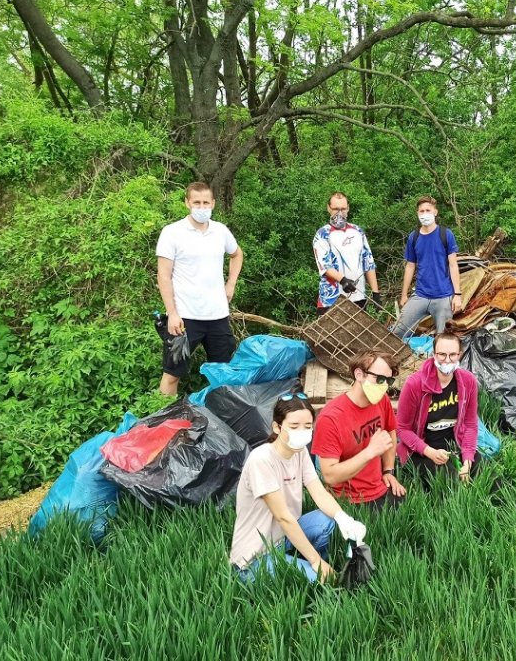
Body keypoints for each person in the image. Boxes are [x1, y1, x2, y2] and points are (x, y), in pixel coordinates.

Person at [229, 393, 367, 583]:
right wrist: (315, 562)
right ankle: (315, 565)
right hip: (256, 556)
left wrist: (344, 519)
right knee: (319, 581)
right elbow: (283, 517)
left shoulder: (299, 452)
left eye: (308, 426)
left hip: (282, 537)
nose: (302, 432)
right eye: (294, 426)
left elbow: (318, 492)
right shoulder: (261, 460)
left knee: (328, 519)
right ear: (277, 427)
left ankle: (312, 561)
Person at [156, 181, 244, 395]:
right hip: (185, 318)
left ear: (213, 203)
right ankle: (164, 411)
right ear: (187, 203)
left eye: (206, 202)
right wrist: (172, 313)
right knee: (172, 374)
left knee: (224, 374)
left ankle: (222, 413)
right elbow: (163, 276)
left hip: (217, 316)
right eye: (197, 202)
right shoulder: (172, 232)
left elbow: (236, 254)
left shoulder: (220, 231)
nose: (202, 207)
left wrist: (230, 283)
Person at [311, 351, 407, 509]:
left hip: (378, 486)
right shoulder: (331, 418)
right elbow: (330, 476)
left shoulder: (382, 400)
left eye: (388, 381)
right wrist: (370, 452)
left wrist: (388, 471)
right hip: (349, 499)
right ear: (359, 375)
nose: (384, 386)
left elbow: (390, 432)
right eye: (379, 379)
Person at [396, 330, 481, 484]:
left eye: (453, 355)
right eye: (442, 354)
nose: (447, 360)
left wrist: (468, 459)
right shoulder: (414, 384)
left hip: (455, 445)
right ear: (433, 355)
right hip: (422, 450)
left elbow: (470, 424)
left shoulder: (468, 381)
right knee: (451, 483)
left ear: (460, 355)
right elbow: (402, 429)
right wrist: (429, 452)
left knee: (490, 478)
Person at [391, 196, 461, 337]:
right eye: (421, 211)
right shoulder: (414, 237)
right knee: (397, 331)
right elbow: (410, 266)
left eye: (428, 210)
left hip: (443, 296)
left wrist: (457, 295)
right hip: (420, 295)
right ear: (417, 213)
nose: (425, 214)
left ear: (435, 212)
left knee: (443, 337)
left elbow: (453, 265)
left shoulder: (445, 234)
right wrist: (404, 295)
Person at [312, 192, 381, 315]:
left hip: (358, 297)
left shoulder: (358, 231)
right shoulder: (322, 234)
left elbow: (368, 263)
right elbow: (325, 266)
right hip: (331, 299)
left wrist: (376, 293)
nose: (339, 213)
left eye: (343, 209)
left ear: (348, 208)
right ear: (329, 208)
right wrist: (343, 280)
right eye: (336, 209)